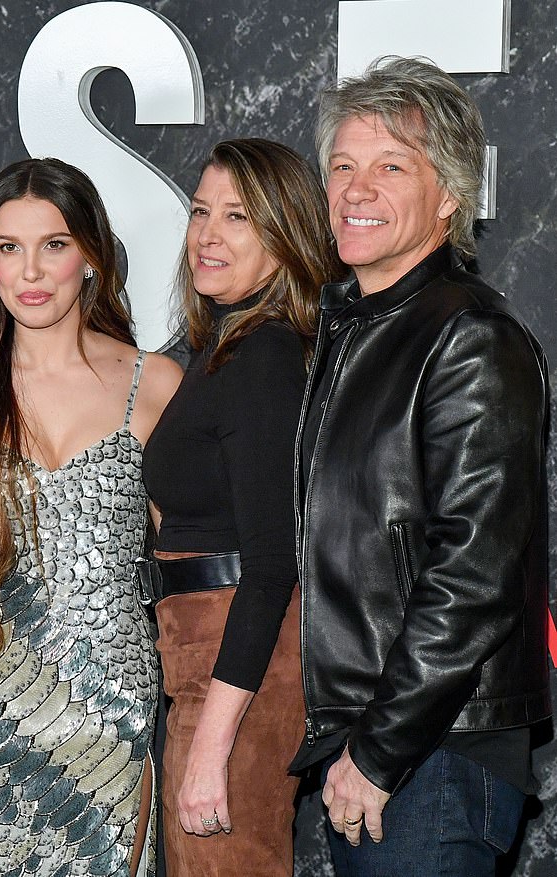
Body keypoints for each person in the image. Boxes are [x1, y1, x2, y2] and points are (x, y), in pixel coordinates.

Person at [293, 56, 551, 874]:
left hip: (432, 751)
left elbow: (473, 575)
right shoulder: (357, 330)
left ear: (451, 195)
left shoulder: (470, 337)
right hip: (385, 742)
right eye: (343, 166)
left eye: (390, 167)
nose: (355, 190)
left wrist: (378, 750)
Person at [0, 157, 182, 876]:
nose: (30, 270)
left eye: (54, 245)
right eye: (8, 247)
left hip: (109, 728)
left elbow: (191, 566)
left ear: (91, 259)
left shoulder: (154, 383)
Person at [141, 139, 344, 876]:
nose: (207, 233)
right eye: (201, 211)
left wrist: (212, 746)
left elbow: (273, 564)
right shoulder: (226, 345)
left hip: (242, 665)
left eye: (238, 217)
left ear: (287, 236)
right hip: (209, 656)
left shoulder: (262, 356)